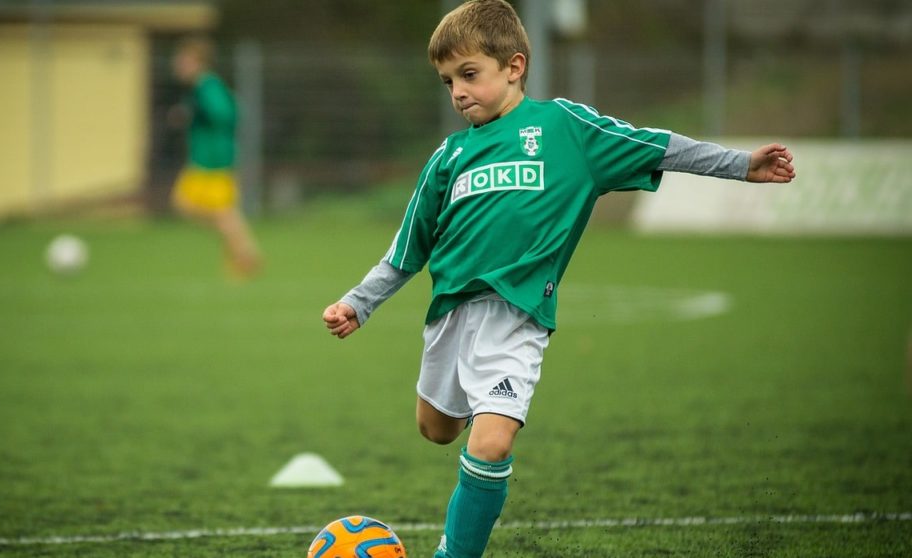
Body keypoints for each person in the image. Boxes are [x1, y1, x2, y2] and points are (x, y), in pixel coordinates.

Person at [321, 1, 796, 556]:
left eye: (469, 74)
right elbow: (407, 249)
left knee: (491, 444)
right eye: (448, 81)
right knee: (436, 429)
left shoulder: (565, 128)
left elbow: (657, 144)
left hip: (517, 317)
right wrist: (359, 303)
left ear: (514, 66)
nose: (458, 92)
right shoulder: (448, 156)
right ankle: (477, 405)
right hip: (450, 315)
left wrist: (740, 164)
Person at [170, 36, 261, 278]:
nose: (178, 64)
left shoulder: (207, 86)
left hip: (213, 160)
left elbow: (226, 113)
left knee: (217, 211)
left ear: (198, 62)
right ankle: (242, 249)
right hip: (204, 159)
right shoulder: (200, 88)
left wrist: (195, 113)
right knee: (190, 207)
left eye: (184, 60)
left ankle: (245, 254)